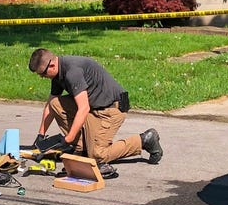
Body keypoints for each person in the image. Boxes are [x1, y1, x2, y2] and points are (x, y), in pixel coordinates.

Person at [28, 48, 163, 165]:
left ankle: (144, 140)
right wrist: (41, 135)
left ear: (51, 65)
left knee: (98, 155)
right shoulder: (58, 73)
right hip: (94, 107)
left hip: (111, 109)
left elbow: (83, 108)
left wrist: (67, 139)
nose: (42, 77)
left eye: (42, 74)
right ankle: (81, 147)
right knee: (55, 104)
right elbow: (50, 106)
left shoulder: (72, 72)